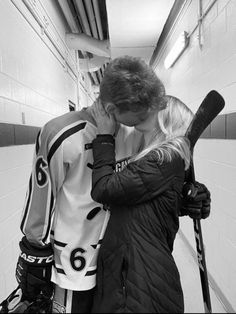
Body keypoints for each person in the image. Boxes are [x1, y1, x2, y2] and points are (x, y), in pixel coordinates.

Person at [0, 56, 210, 314]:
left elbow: (150, 185)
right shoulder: (60, 133)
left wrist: (185, 196)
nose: (152, 114)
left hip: (118, 268)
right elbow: (41, 202)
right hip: (75, 267)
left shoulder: (137, 132)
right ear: (112, 108)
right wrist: (34, 249)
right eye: (144, 110)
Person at [89, 95, 210, 313]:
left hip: (138, 278)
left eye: (152, 108)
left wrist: (104, 136)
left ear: (165, 119)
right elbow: (153, 199)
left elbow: (104, 189)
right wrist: (189, 196)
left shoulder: (161, 159)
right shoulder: (164, 159)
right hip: (137, 270)